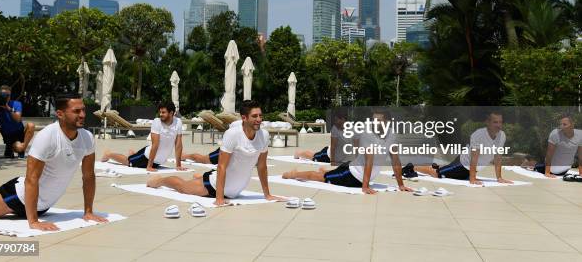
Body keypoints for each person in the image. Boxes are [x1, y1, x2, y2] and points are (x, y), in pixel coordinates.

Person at [0, 94, 108, 231]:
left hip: (42, 206)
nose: (83, 115)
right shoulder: (47, 136)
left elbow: (89, 176)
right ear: (60, 114)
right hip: (19, 198)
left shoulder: (87, 138)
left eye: (83, 110)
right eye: (76, 111)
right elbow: (31, 179)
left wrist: (88, 212)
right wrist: (34, 221)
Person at [146, 100, 285, 205]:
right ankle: (160, 180)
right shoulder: (232, 134)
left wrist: (267, 195)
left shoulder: (264, 135)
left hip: (236, 190)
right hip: (213, 186)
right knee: (182, 187)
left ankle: (199, 176)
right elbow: (221, 166)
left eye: (260, 115)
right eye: (255, 116)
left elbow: (262, 167)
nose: (259, 119)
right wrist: (219, 198)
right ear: (244, 118)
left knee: (201, 178)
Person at [282, 109, 413, 194]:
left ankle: (326, 170)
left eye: (379, 120)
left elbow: (395, 160)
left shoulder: (392, 135)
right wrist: (365, 186)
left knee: (331, 172)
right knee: (320, 178)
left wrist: (401, 185)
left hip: (356, 169)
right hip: (351, 175)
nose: (375, 123)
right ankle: (293, 174)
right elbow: (369, 160)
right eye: (373, 120)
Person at [407, 111, 513, 185]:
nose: (498, 125)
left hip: (472, 169)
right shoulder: (478, 135)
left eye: (500, 122)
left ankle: (437, 167)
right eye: (495, 122)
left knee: (448, 172)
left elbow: (498, 157)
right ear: (487, 122)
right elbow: (474, 158)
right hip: (462, 164)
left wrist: (499, 178)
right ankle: (413, 167)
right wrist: (472, 179)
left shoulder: (502, 135)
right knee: (437, 174)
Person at [100, 101, 185, 171]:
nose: (160, 114)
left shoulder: (178, 122)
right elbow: (155, 145)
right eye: (160, 112)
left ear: (171, 113)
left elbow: (178, 145)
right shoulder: (157, 122)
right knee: (128, 162)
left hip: (159, 160)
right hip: (146, 156)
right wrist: (149, 166)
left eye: (163, 112)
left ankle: (132, 153)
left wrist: (178, 165)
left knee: (133, 158)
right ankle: (109, 154)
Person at [0, 85, 36, 158]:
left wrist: (8, 108)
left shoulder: (16, 103)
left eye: (7, 95)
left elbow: (18, 119)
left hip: (20, 132)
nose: (5, 97)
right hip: (9, 136)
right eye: (3, 95)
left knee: (31, 125)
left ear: (10, 95)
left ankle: (21, 149)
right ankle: (15, 148)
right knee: (18, 147)